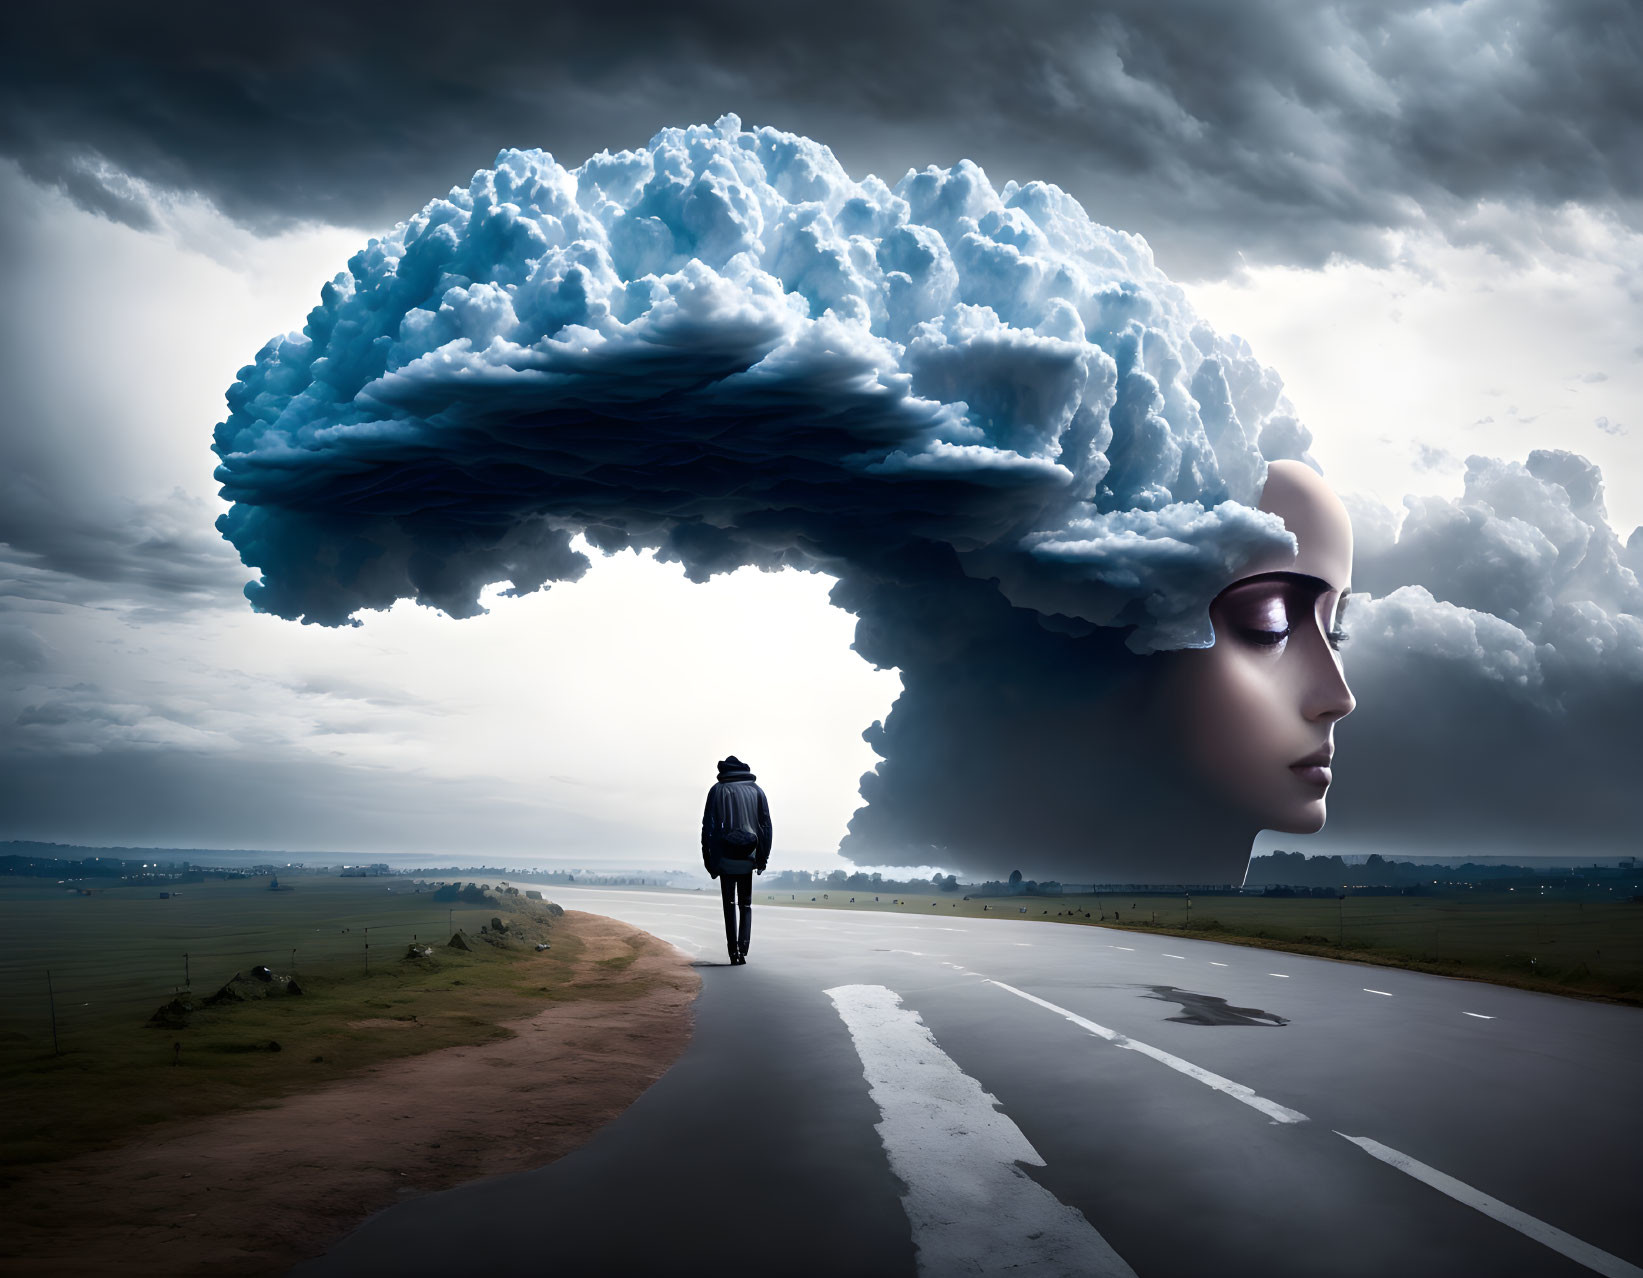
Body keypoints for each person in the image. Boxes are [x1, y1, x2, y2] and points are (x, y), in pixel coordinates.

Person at [701, 755, 773, 965]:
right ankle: (744, 947)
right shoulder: (756, 790)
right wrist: (763, 857)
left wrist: (709, 860)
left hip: (725, 857)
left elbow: (709, 828)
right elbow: (766, 826)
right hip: (749, 856)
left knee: (729, 904)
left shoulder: (717, 790)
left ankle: (733, 952)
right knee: (746, 904)